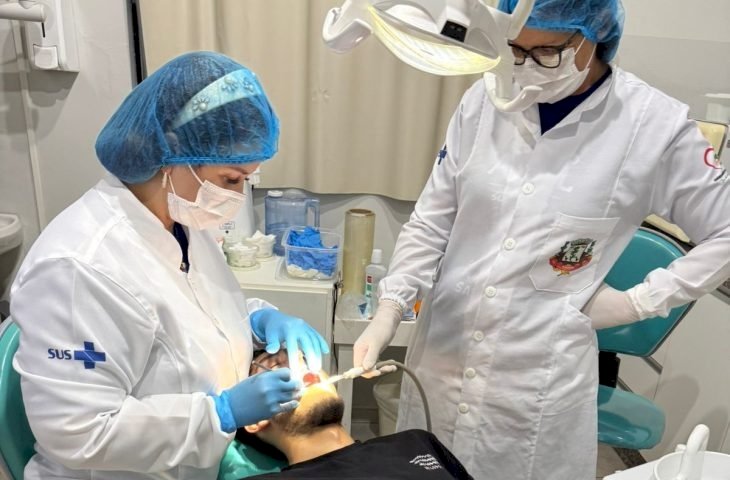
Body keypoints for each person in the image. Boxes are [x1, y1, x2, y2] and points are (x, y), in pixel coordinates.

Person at [353, 1, 730, 479]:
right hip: (444, 354)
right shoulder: (484, 99)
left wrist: (638, 302)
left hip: (536, 382)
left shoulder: (654, 126)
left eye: (547, 52)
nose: (526, 67)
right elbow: (432, 220)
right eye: (515, 49)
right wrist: (391, 307)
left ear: (593, 38)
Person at [11, 52, 329, 480]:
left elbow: (193, 312)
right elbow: (79, 433)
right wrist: (221, 413)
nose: (237, 197)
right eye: (231, 179)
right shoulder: (78, 269)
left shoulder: (182, 222)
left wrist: (258, 320)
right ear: (173, 152)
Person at [233, 349, 473, 479]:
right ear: (255, 420)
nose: (303, 369)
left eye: (303, 359)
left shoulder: (416, 442)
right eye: (277, 367)